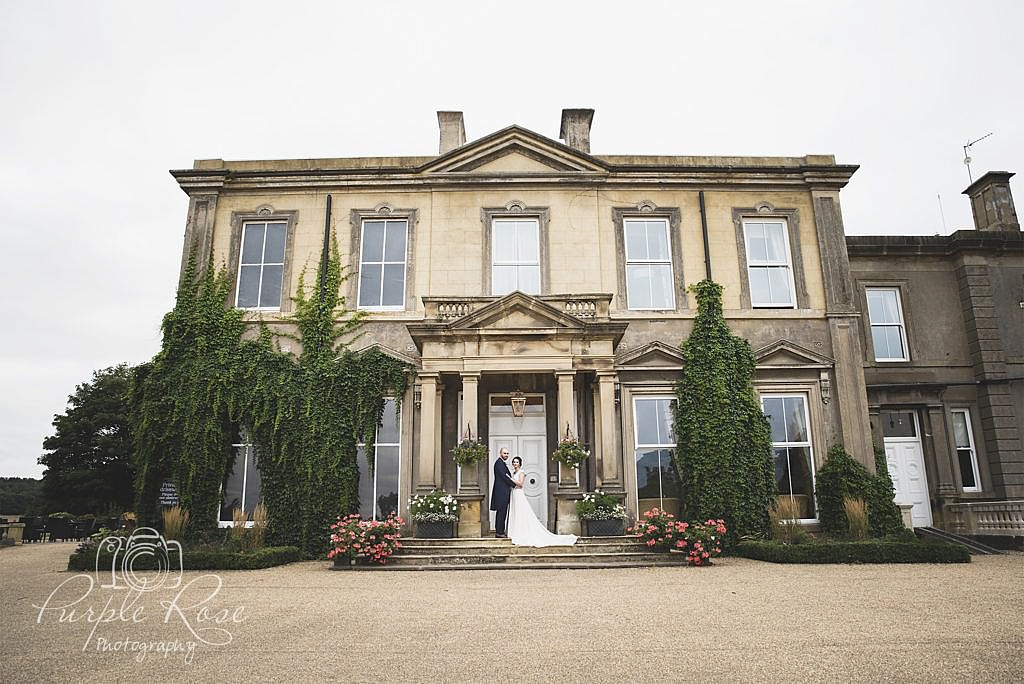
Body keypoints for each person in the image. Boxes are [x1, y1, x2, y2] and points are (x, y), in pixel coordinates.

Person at [507, 456, 578, 547]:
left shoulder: (522, 472)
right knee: (516, 512)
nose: (515, 464)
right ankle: (515, 531)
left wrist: (511, 479)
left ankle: (522, 532)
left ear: (520, 463)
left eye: (516, 462)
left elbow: (520, 484)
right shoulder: (514, 472)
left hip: (519, 493)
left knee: (521, 512)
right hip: (514, 493)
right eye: (513, 462)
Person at [489, 447, 519, 537]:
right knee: (501, 512)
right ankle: (499, 532)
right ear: (500, 453)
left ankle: (500, 531)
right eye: (504, 453)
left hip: (503, 492)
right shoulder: (499, 463)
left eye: (507, 453)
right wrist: (514, 485)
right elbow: (504, 477)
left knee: (502, 512)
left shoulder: (501, 463)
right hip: (501, 493)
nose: (506, 455)